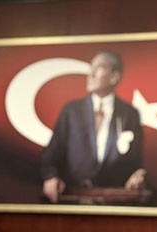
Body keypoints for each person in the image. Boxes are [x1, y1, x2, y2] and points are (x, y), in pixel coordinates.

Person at [41, 50, 146, 203]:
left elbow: (134, 164)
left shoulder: (130, 114)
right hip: (72, 199)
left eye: (99, 67)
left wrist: (135, 178)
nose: (90, 74)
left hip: (112, 202)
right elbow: (50, 156)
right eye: (91, 68)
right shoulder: (71, 110)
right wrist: (51, 177)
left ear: (114, 77)